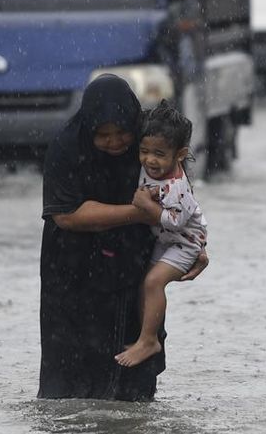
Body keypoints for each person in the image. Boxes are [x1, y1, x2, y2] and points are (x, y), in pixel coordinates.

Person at [39, 75, 208, 401]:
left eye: (122, 133)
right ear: (89, 131)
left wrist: (193, 246)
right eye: (103, 136)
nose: (115, 142)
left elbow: (178, 194)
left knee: (134, 388)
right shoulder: (66, 146)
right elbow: (66, 215)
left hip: (133, 261)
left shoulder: (150, 139)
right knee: (68, 384)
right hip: (73, 270)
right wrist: (138, 213)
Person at [115, 101, 208, 368]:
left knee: (154, 283)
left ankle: (149, 341)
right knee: (145, 282)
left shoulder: (177, 185)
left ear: (180, 154)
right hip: (166, 240)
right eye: (144, 151)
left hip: (185, 243)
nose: (150, 160)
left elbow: (176, 222)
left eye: (159, 153)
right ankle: (146, 336)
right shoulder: (150, 168)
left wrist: (147, 207)